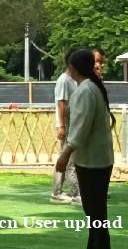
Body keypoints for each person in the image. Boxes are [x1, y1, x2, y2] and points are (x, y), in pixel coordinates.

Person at [56, 49, 116, 249]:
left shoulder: (85, 91)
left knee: (95, 213)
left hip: (92, 161)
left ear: (73, 68)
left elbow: (80, 128)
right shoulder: (92, 87)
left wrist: (65, 154)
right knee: (96, 213)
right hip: (99, 159)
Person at [51, 50, 80, 205]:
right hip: (66, 123)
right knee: (66, 157)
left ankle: (59, 191)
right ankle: (66, 192)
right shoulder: (63, 80)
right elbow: (61, 103)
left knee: (65, 156)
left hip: (73, 122)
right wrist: (61, 126)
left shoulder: (74, 80)